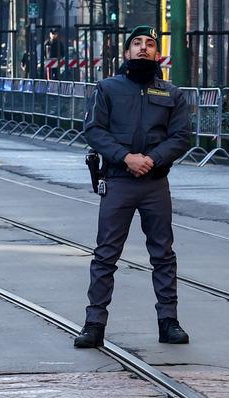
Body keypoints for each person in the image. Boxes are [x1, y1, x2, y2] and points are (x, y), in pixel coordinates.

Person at [74, 25, 194, 348]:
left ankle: (168, 322)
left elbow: (181, 136)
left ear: (158, 54)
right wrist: (126, 157)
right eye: (137, 43)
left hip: (155, 183)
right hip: (118, 181)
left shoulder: (171, 94)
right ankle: (94, 324)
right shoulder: (108, 89)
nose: (143, 48)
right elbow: (94, 130)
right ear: (126, 52)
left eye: (150, 44)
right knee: (105, 255)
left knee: (163, 255)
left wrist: (151, 160)